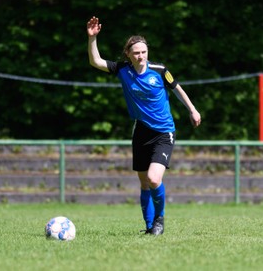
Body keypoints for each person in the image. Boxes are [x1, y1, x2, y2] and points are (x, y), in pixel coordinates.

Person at [86, 16, 201, 235]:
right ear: (128, 54)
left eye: (144, 52)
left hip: (163, 132)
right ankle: (149, 227)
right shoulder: (123, 70)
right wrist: (92, 39)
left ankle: (160, 220)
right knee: (144, 182)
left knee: (153, 178)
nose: (141, 56)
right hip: (141, 131)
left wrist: (192, 109)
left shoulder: (159, 70)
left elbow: (176, 88)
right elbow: (96, 61)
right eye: (136, 52)